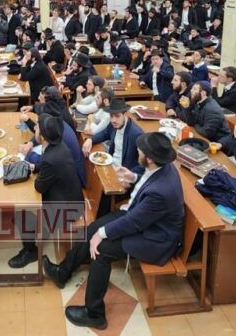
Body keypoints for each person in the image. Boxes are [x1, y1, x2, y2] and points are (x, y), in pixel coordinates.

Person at [43, 132, 184, 329]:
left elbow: (134, 223)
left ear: (150, 159)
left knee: (101, 249)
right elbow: (145, 192)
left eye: (140, 151)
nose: (137, 152)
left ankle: (94, 314)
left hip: (155, 239)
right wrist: (133, 177)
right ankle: (62, 272)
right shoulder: (161, 166)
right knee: (94, 228)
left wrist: (102, 235)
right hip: (142, 219)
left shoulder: (161, 191)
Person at [9, 114, 85, 269]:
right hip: (73, 199)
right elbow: (49, 166)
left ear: (42, 137)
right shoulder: (58, 146)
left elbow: (39, 187)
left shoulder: (51, 158)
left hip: (67, 210)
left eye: (37, 127)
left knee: (21, 213)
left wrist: (36, 171)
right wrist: (35, 167)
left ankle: (30, 252)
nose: (35, 129)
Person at [82, 98, 144, 174]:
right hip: (111, 165)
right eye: (111, 116)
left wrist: (130, 175)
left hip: (124, 173)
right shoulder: (113, 124)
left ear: (125, 115)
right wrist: (90, 140)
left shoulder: (136, 134)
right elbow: (104, 134)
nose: (113, 120)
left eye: (117, 116)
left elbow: (144, 164)